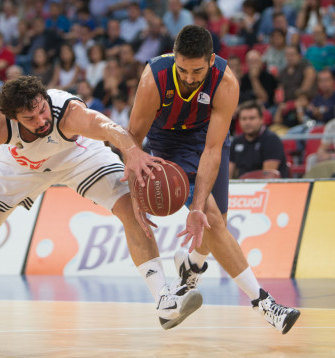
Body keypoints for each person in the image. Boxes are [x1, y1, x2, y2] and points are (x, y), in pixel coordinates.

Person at [0, 76, 202, 347]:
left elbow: (107, 126)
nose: (41, 120)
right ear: (12, 118)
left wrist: (131, 152)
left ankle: (164, 299)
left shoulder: (66, 113)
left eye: (41, 109)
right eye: (30, 119)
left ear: (45, 99)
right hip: (17, 168)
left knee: (129, 210)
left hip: (76, 156)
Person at [127, 25, 300, 334]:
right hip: (166, 146)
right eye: (183, 69)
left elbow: (212, 149)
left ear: (211, 60)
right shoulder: (153, 78)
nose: (190, 77)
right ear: (174, 58)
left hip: (207, 141)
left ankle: (190, 265)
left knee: (213, 220)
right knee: (215, 222)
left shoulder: (226, 81)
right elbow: (133, 141)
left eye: (197, 71)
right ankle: (264, 303)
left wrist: (195, 207)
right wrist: (135, 193)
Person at [230, 101, 288, 178]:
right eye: (244, 119)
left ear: (262, 119)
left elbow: (267, 176)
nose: (247, 122)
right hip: (241, 186)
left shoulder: (272, 140)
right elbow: (228, 174)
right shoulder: (236, 141)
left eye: (252, 118)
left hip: (266, 188)